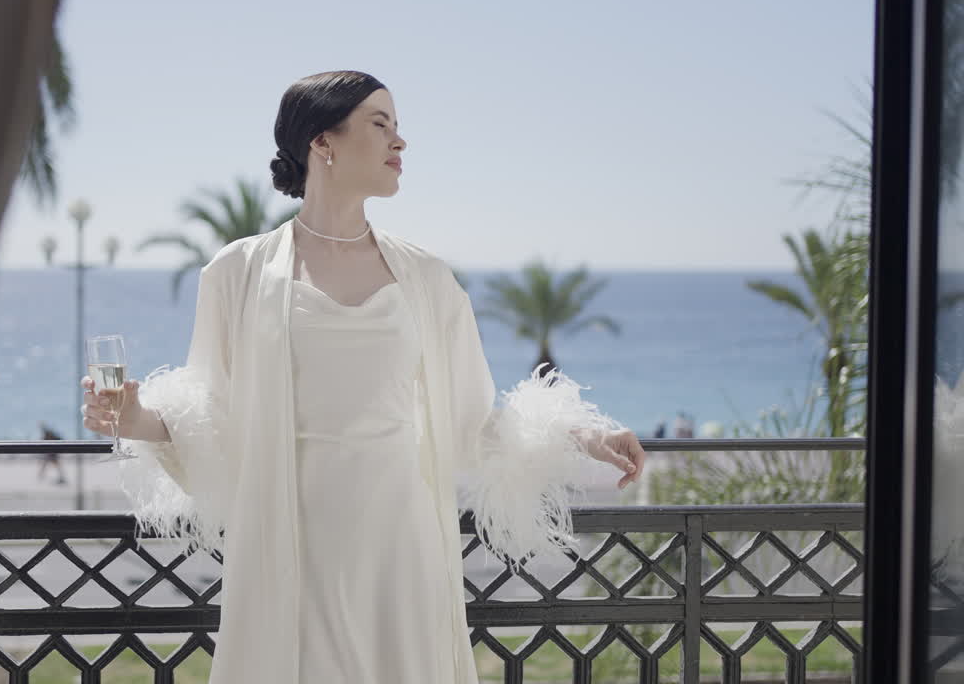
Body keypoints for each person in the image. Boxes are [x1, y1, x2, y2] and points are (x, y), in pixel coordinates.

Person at [79, 70, 646, 684]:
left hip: (401, 543)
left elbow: (476, 419)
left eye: (399, 129)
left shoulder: (426, 278)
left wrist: (587, 437)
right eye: (381, 126)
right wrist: (133, 418)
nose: (399, 144)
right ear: (323, 142)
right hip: (291, 538)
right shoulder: (237, 272)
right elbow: (212, 410)